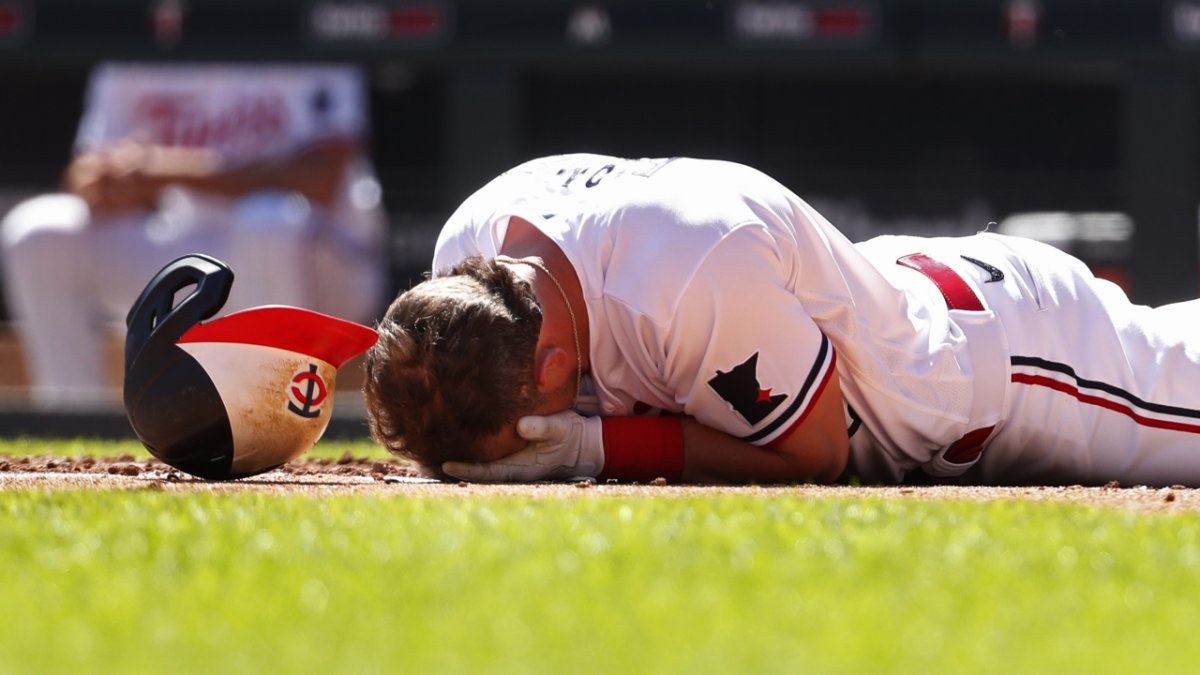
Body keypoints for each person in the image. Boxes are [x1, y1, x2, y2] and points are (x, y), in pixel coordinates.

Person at [363, 153, 1200, 487]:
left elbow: (818, 451)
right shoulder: (471, 239)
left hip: (1016, 369)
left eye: (526, 424)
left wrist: (591, 445)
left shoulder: (686, 280)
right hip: (898, 302)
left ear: (550, 372)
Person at [0, 62, 388, 407]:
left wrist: (167, 169)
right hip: (198, 247)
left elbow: (321, 178)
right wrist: (108, 183)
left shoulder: (292, 19)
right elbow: (84, 172)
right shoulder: (151, 26)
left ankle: (277, 417)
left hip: (327, 261)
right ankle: (73, 421)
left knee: (269, 221)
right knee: (38, 233)